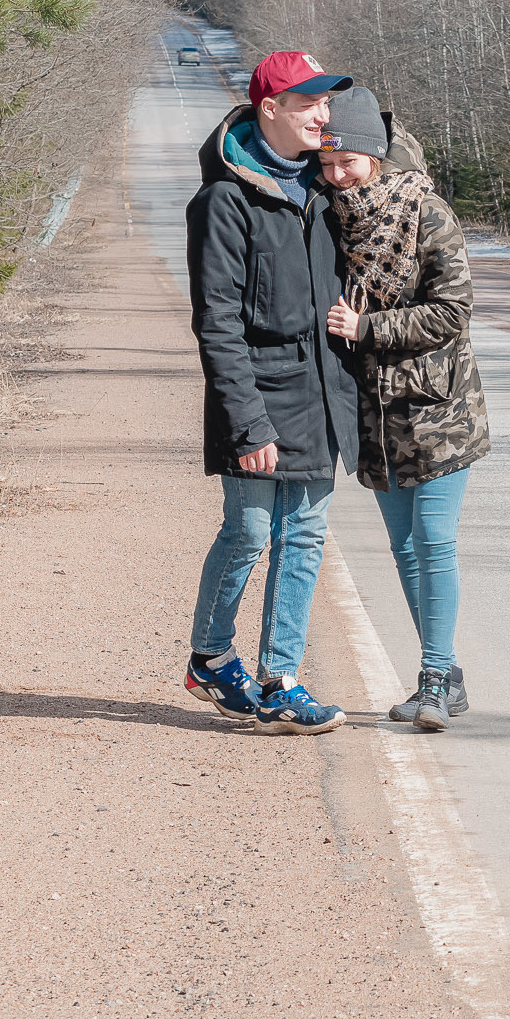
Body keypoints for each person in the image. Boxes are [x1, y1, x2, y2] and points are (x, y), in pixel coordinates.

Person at [181, 51, 360, 733]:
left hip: (320, 394)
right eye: (309, 103)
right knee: (251, 528)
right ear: (270, 110)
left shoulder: (326, 192)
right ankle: (209, 656)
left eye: (327, 103)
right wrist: (249, 425)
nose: (324, 115)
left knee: (305, 535)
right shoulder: (224, 200)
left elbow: (389, 150)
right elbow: (217, 322)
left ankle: (281, 679)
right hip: (256, 397)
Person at [320, 89, 490, 731]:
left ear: (374, 153)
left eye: (350, 162)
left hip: (438, 407)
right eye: (327, 163)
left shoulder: (426, 210)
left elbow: (454, 313)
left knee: (435, 543)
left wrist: (369, 328)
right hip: (374, 416)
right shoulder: (331, 219)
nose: (338, 175)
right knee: (405, 549)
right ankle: (444, 676)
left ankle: (435, 678)